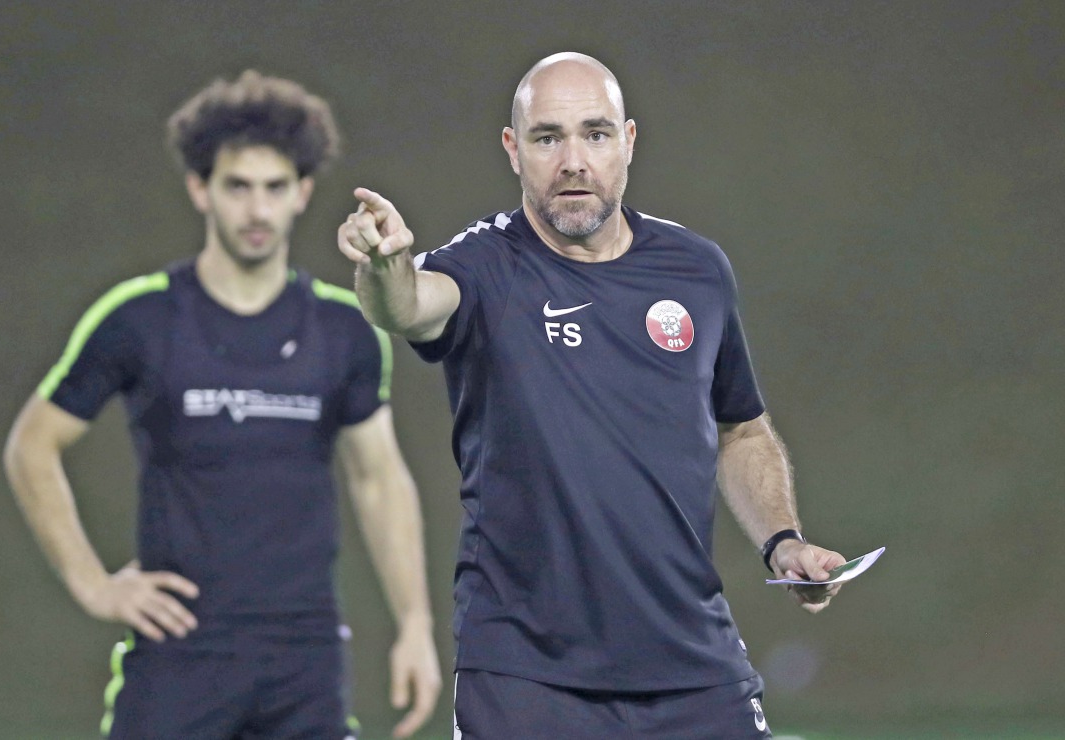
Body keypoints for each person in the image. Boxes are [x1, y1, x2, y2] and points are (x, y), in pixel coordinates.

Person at [337, 52, 846, 738]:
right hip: (528, 676)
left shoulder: (696, 269)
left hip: (694, 666)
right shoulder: (486, 264)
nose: (573, 160)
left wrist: (783, 541)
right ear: (514, 151)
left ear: (628, 143)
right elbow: (406, 306)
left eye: (595, 134)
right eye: (548, 137)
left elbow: (742, 431)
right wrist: (383, 264)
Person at [4, 70, 441, 740]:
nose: (257, 211)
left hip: (306, 661)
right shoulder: (138, 319)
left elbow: (379, 478)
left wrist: (414, 624)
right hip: (179, 657)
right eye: (238, 187)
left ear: (302, 194)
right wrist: (94, 584)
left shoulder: (344, 330)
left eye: (274, 188)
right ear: (200, 188)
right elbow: (32, 446)